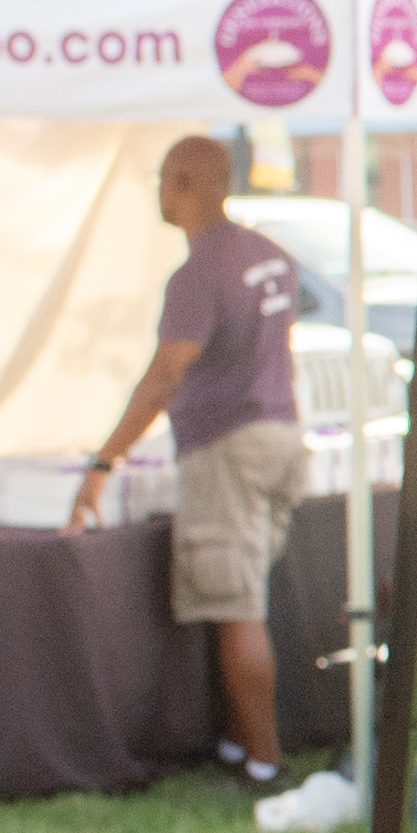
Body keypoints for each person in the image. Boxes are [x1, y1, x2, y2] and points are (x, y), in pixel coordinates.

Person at [68, 136, 305, 794]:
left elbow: (167, 372)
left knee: (236, 604)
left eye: (166, 181)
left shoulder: (198, 275)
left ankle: (264, 762)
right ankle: (238, 742)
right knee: (245, 588)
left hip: (226, 446)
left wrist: (104, 459)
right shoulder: (271, 256)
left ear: (187, 183)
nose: (159, 194)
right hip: (280, 434)